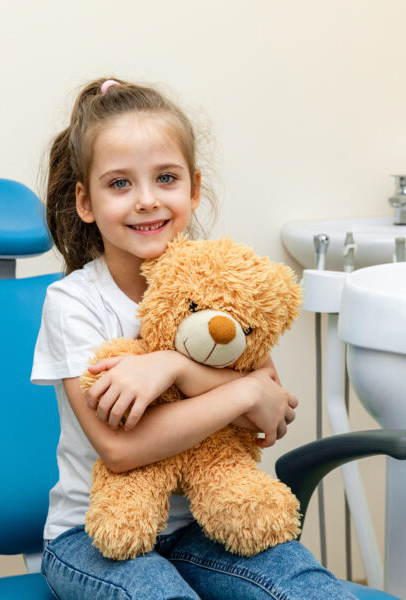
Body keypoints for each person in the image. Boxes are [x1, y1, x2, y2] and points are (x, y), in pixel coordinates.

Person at [31, 77, 356, 600]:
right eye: (119, 184)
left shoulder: (221, 281)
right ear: (85, 201)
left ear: (194, 188)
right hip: (91, 538)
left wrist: (176, 368)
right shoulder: (73, 304)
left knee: (313, 592)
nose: (146, 201)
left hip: (203, 529)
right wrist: (243, 389)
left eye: (165, 178)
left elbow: (265, 416)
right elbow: (119, 448)